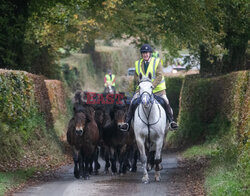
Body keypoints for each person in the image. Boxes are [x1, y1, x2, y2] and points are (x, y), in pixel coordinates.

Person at [120, 44, 178, 131]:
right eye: (143, 53)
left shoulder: (156, 62)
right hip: (142, 90)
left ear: (150, 53)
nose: (145, 55)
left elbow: (159, 75)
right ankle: (127, 123)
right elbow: (136, 76)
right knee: (132, 102)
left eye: (147, 53)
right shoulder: (138, 63)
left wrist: (152, 86)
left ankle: (171, 122)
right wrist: (141, 83)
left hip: (158, 90)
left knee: (166, 101)